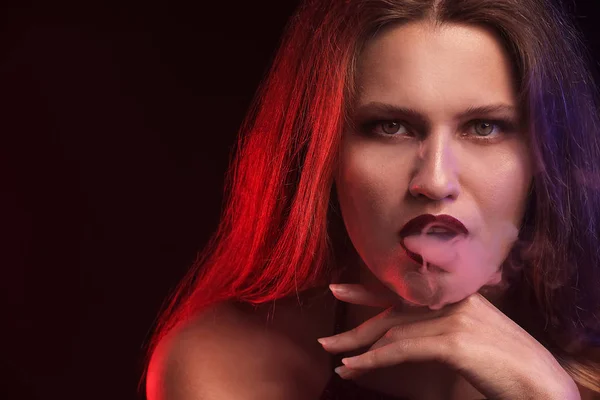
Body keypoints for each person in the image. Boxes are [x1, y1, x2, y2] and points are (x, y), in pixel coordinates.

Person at [144, 0, 600, 398]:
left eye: (484, 127)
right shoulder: (236, 364)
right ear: (324, 153)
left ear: (543, 159)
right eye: (390, 127)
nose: (435, 181)